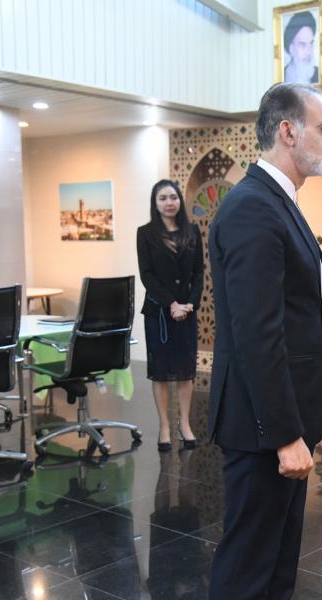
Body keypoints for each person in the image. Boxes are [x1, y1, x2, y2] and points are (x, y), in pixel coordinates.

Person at [207, 82, 322, 600]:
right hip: (263, 427)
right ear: (288, 131)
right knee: (249, 572)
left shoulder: (278, 201)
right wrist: (285, 435)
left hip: (282, 421)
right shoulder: (253, 207)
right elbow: (258, 333)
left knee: (277, 569)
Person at [136, 179, 204, 452]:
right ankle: (164, 426)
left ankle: (184, 424)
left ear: (180, 200)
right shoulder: (145, 233)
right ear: (155, 203)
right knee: (161, 373)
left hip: (186, 312)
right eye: (163, 198)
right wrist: (171, 304)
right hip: (159, 313)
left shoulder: (192, 231)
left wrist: (189, 304)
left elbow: (199, 272)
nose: (169, 203)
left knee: (186, 371)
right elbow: (147, 275)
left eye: (173, 197)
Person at [283, 11, 319, 84]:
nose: (309, 51)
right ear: (291, 48)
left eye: (311, 43)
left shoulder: (319, 74)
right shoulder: (281, 75)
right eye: (302, 45)